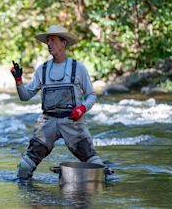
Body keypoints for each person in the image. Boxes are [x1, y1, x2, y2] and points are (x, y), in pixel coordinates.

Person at [10, 25, 103, 179]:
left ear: (63, 43)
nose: (49, 44)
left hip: (73, 122)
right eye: (48, 41)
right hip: (48, 122)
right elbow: (25, 96)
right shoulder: (42, 69)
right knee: (25, 167)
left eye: (53, 40)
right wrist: (18, 80)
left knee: (96, 166)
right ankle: (29, 197)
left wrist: (82, 109)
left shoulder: (78, 68)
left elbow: (91, 95)